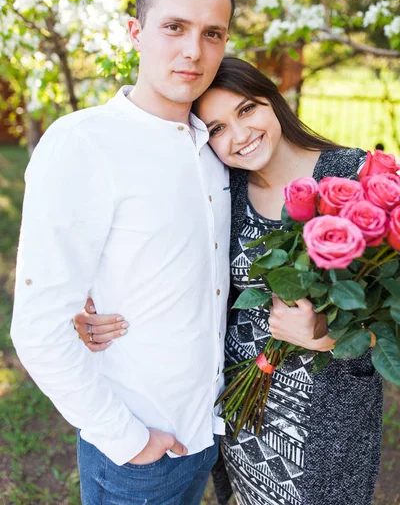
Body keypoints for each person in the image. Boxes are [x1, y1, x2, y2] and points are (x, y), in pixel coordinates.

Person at [76, 57, 383, 505]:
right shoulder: (224, 188)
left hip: (322, 422)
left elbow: (389, 311)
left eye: (247, 110)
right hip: (240, 409)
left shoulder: (353, 178)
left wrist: (329, 338)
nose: (239, 136)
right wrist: (91, 301)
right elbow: (171, 263)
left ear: (273, 102)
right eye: (216, 128)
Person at [11, 0, 236, 505]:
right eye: (175, 27)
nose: (194, 50)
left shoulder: (216, 149)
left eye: (213, 33)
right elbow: (37, 328)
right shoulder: (84, 143)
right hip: (137, 452)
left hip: (206, 434)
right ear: (136, 31)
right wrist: (129, 441)